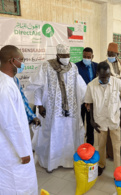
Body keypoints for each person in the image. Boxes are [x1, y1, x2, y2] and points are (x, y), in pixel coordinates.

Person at [27, 44, 87, 173]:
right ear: (58, 55)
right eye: (64, 56)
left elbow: (81, 86)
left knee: (69, 135)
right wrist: (39, 105)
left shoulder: (73, 67)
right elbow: (38, 86)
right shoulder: (46, 66)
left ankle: (68, 161)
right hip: (52, 111)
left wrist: (86, 99)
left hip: (71, 111)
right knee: (52, 134)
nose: (66, 58)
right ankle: (51, 163)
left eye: (68, 56)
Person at [0, 45, 38, 194]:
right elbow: (10, 124)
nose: (22, 64)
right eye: (21, 60)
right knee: (16, 184)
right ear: (12, 61)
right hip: (12, 149)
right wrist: (23, 151)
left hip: (14, 144)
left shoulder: (9, 81)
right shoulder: (5, 87)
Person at [85, 61, 121, 176]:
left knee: (116, 146)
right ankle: (101, 164)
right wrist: (92, 120)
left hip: (114, 119)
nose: (105, 79)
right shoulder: (91, 85)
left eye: (108, 76)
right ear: (98, 73)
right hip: (99, 120)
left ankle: (118, 170)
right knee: (100, 145)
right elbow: (90, 103)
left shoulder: (117, 82)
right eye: (103, 77)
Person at [104, 42, 121, 159]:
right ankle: (109, 152)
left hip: (120, 98)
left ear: (117, 54)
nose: (110, 55)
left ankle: (117, 150)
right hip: (108, 99)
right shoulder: (103, 64)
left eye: (112, 53)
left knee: (119, 125)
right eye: (108, 53)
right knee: (109, 126)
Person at [76, 47, 98, 146]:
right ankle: (79, 145)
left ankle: (90, 146)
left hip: (92, 101)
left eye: (88, 57)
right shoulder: (76, 67)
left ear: (92, 56)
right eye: (84, 56)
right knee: (79, 124)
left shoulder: (96, 66)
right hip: (80, 101)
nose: (86, 58)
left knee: (90, 125)